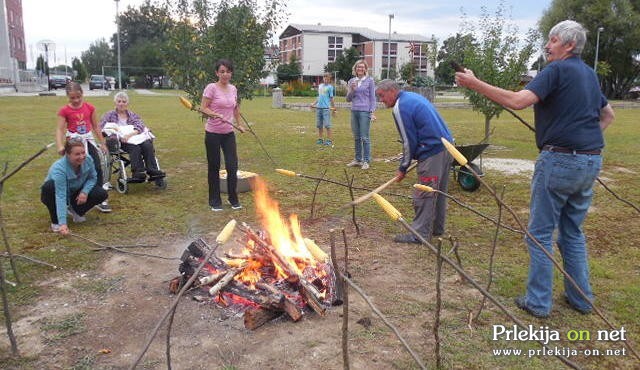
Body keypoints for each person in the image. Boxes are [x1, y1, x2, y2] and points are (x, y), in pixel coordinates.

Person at [455, 20, 615, 318]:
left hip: (559, 161)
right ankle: (581, 299)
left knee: (539, 234)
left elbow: (518, 101)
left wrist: (473, 83)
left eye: (553, 40)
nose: (547, 45)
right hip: (590, 160)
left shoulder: (554, 70)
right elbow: (608, 115)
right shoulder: (589, 75)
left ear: (568, 45)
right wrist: (584, 142)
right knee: (572, 232)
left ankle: (538, 302)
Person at [375, 80, 453, 244]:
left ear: (392, 91)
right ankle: (436, 229)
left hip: (432, 151)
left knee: (424, 192)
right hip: (447, 147)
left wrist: (403, 167)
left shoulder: (400, 107)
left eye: (382, 96)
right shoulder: (411, 97)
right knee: (437, 192)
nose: (381, 100)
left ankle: (420, 235)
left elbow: (408, 141)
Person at [56, 82, 111, 213]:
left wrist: (102, 143)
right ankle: (71, 198)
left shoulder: (90, 108)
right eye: (72, 98)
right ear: (68, 97)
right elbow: (59, 129)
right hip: (74, 142)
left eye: (78, 97)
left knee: (96, 167)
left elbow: (96, 126)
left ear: (82, 94)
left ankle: (98, 196)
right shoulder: (64, 110)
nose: (76, 100)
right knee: (74, 170)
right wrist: (60, 146)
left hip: (87, 140)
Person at [200, 59, 247, 212]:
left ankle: (233, 199)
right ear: (217, 73)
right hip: (213, 133)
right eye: (222, 71)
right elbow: (203, 108)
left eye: (228, 71)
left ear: (231, 73)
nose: (225, 74)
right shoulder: (211, 88)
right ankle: (214, 201)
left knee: (232, 166)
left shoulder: (233, 89)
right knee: (214, 167)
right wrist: (213, 114)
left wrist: (239, 124)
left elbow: (235, 109)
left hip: (228, 133)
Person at [41, 139, 109, 235]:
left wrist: (84, 192)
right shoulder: (59, 169)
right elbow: (60, 196)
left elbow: (93, 177)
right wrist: (63, 223)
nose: (82, 157)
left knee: (101, 193)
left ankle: (76, 210)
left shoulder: (88, 159)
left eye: (83, 152)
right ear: (68, 154)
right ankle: (56, 221)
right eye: (77, 154)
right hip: (54, 193)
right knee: (50, 187)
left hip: (75, 191)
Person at [100, 91, 166, 181]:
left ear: (127, 103)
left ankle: (152, 170)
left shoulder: (132, 115)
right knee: (135, 148)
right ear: (115, 102)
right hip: (119, 141)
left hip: (134, 137)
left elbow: (140, 125)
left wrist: (130, 134)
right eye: (119, 101)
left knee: (147, 144)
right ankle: (138, 172)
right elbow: (102, 128)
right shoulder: (109, 115)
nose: (121, 104)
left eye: (124, 102)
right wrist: (117, 135)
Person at [346, 60, 377, 170]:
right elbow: (348, 99)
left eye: (362, 67)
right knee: (357, 137)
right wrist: (352, 90)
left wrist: (372, 112)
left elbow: (373, 98)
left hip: (365, 111)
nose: (360, 69)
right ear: (355, 69)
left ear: (365, 69)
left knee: (365, 137)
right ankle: (358, 159)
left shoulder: (370, 81)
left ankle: (366, 160)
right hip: (354, 111)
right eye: (358, 67)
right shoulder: (351, 81)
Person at [310, 72, 336, 147]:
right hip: (319, 108)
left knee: (327, 125)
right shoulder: (320, 86)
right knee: (319, 125)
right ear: (323, 78)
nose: (325, 79)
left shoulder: (330, 87)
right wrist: (313, 104)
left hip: (326, 109)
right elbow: (319, 97)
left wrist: (334, 108)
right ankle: (320, 139)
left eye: (327, 78)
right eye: (324, 78)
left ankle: (329, 140)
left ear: (329, 79)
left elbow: (331, 99)